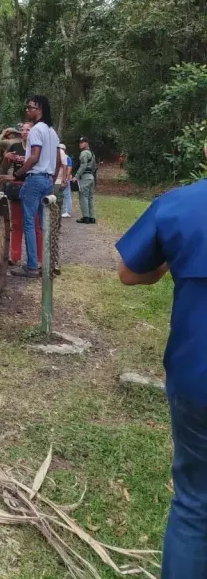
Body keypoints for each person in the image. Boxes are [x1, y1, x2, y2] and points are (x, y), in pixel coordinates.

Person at [116, 179, 207, 578]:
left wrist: (178, 256)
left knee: (195, 505)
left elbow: (130, 273)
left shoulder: (180, 205)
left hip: (198, 378)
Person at [11, 95, 59, 279]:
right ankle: (44, 263)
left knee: (29, 223)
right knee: (44, 222)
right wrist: (51, 178)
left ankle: (31, 266)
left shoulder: (36, 131)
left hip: (35, 178)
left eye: (30, 107)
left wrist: (18, 173)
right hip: (47, 179)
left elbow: (34, 156)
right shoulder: (52, 132)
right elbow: (56, 159)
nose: (27, 110)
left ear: (39, 109)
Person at [75, 136, 97, 224]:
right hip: (91, 176)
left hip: (85, 176)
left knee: (83, 196)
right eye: (80, 142)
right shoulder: (92, 153)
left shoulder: (84, 153)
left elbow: (83, 165)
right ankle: (91, 217)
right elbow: (94, 167)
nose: (80, 144)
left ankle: (86, 217)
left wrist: (76, 175)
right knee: (90, 197)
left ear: (86, 143)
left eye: (82, 142)